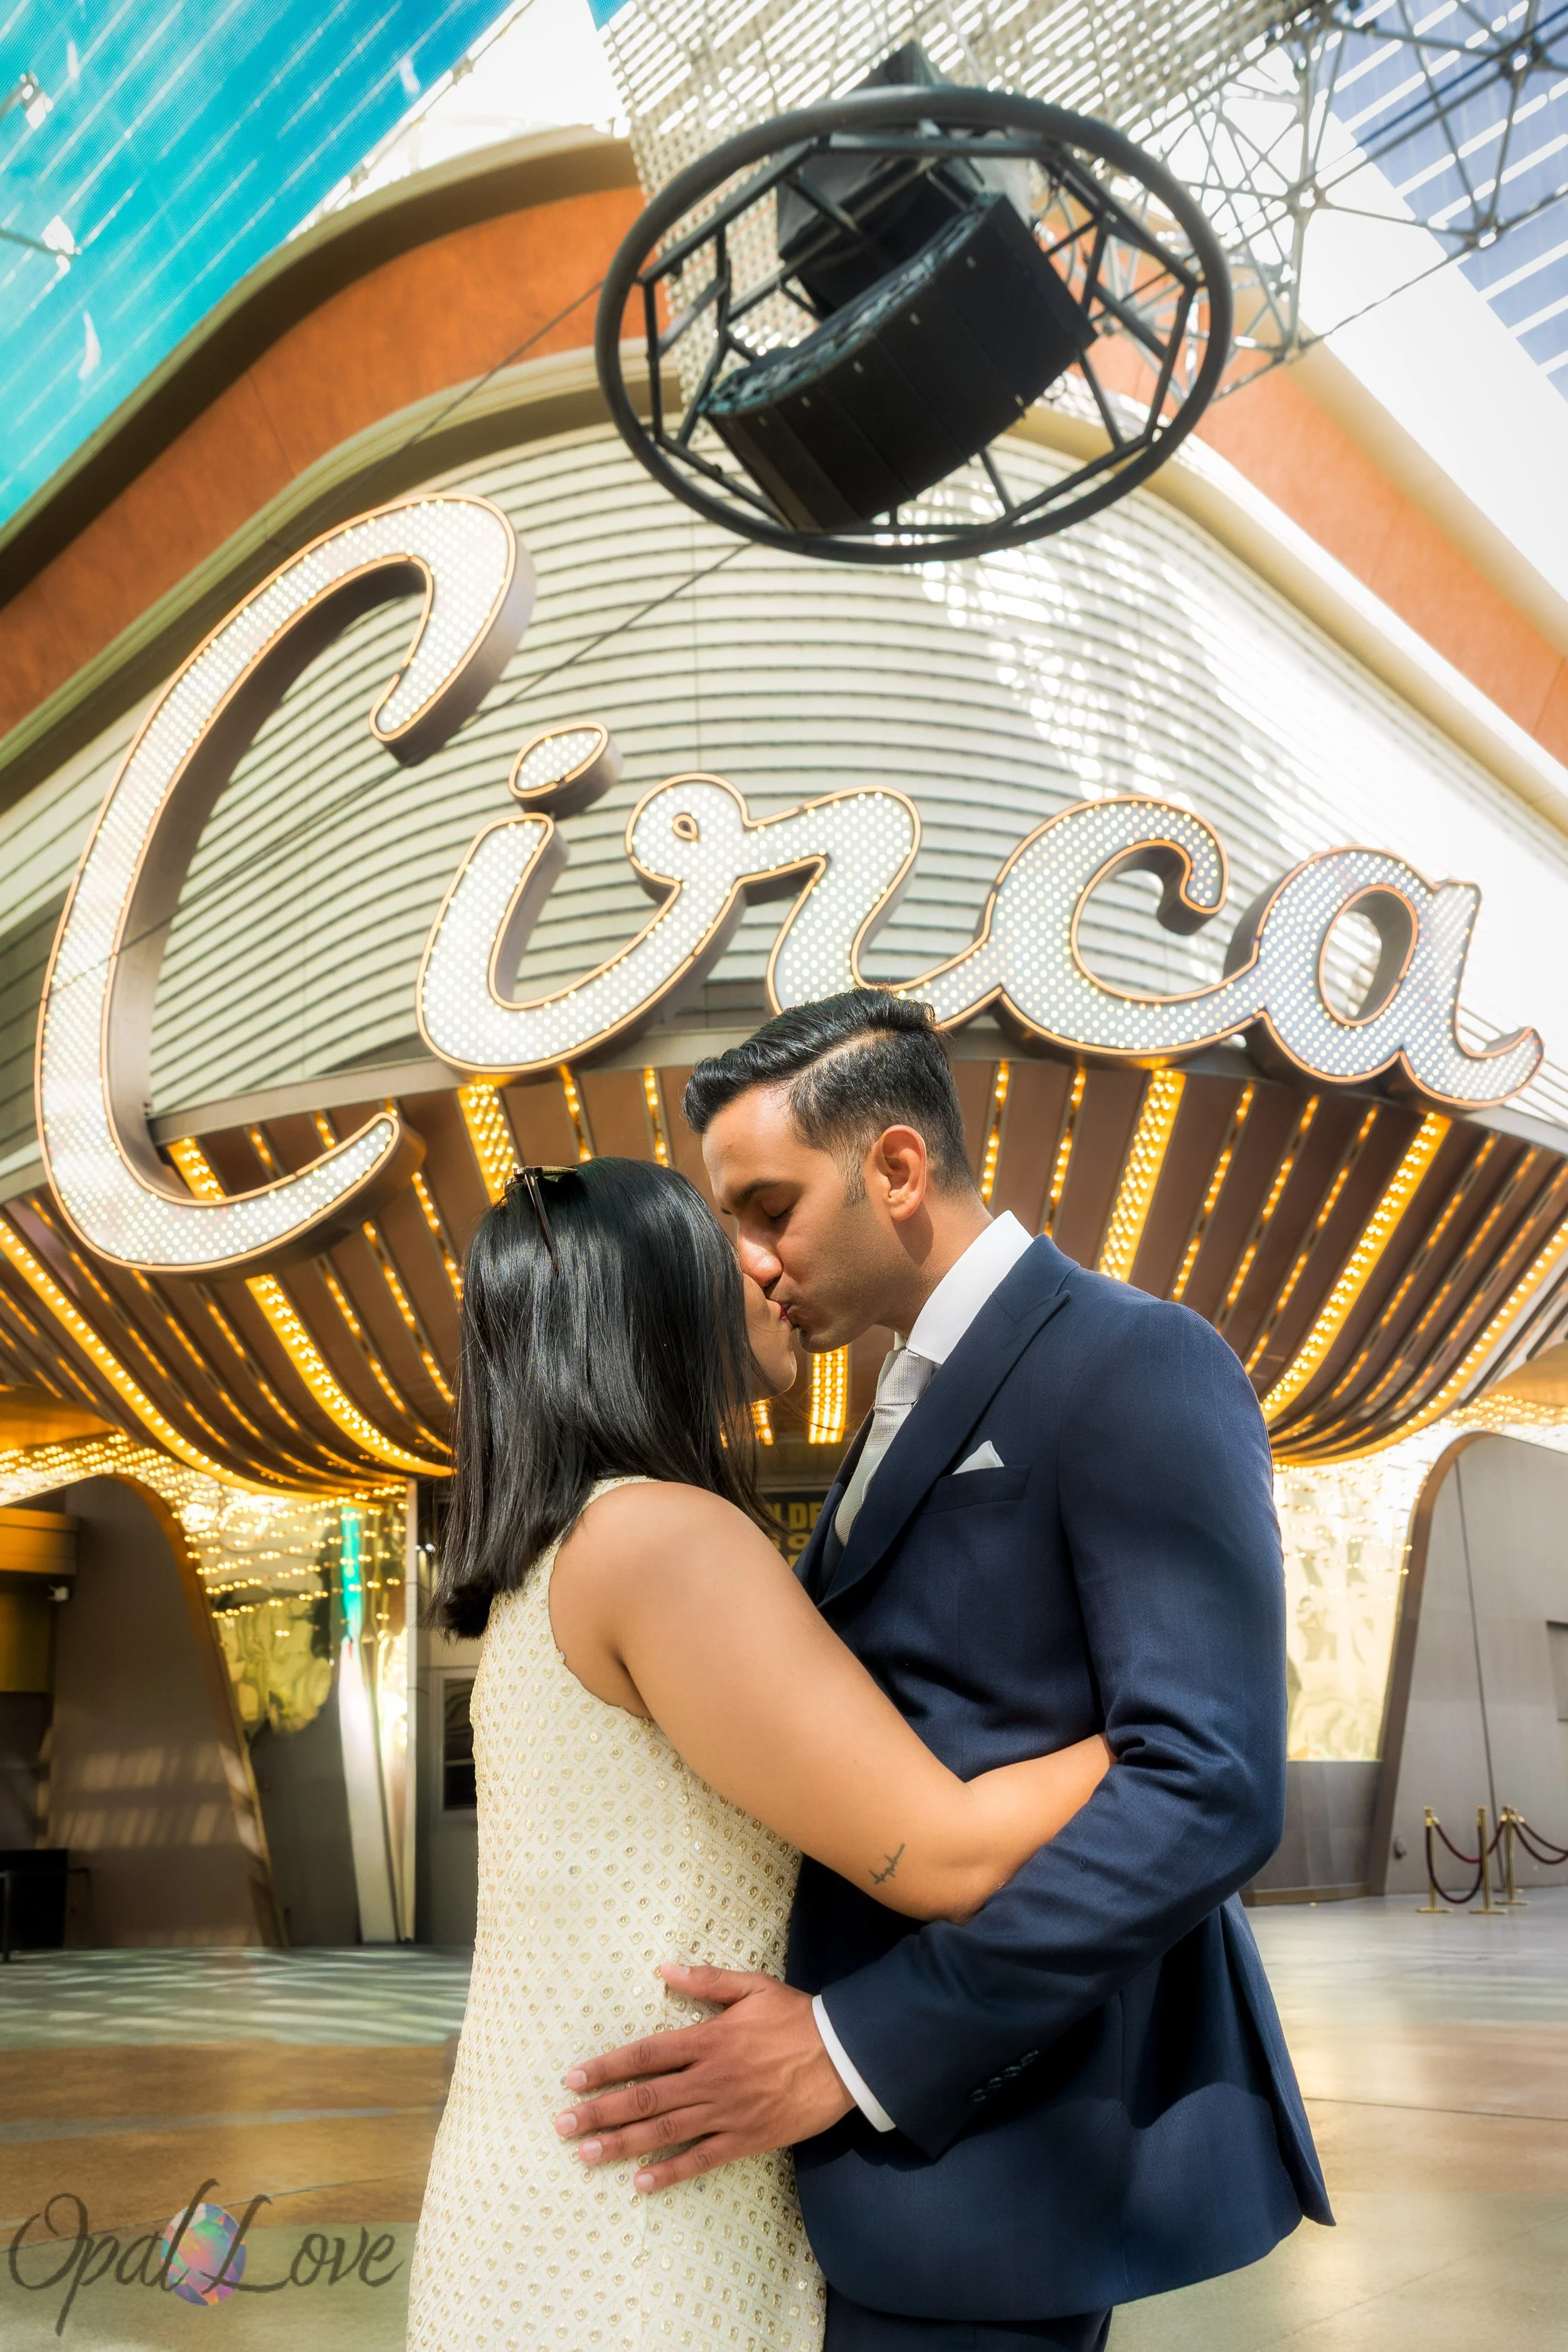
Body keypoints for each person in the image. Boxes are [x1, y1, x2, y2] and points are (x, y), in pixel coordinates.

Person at [553, 989, 1331, 2351]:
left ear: (896, 1169)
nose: (742, 1259)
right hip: (876, 2180)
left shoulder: (1131, 1360)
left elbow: (1205, 1786)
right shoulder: (887, 1408)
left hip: (1001, 2141)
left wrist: (857, 2046)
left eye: (766, 1207)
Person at [405, 1153, 1113, 2352]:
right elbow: (937, 1853)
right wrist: (1164, 1737)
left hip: (547, 2202)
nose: (761, 1260)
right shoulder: (661, 1538)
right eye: (717, 1234)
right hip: (642, 2237)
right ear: (648, 1298)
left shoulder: (555, 1555)